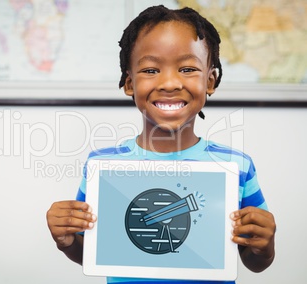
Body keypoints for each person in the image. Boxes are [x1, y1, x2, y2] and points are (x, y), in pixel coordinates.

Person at [46, 5, 276, 284]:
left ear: (210, 81)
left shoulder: (237, 166)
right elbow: (96, 253)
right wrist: (67, 240)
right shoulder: (101, 167)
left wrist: (264, 245)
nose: (169, 83)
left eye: (188, 68)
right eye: (151, 69)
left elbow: (254, 261)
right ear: (129, 84)